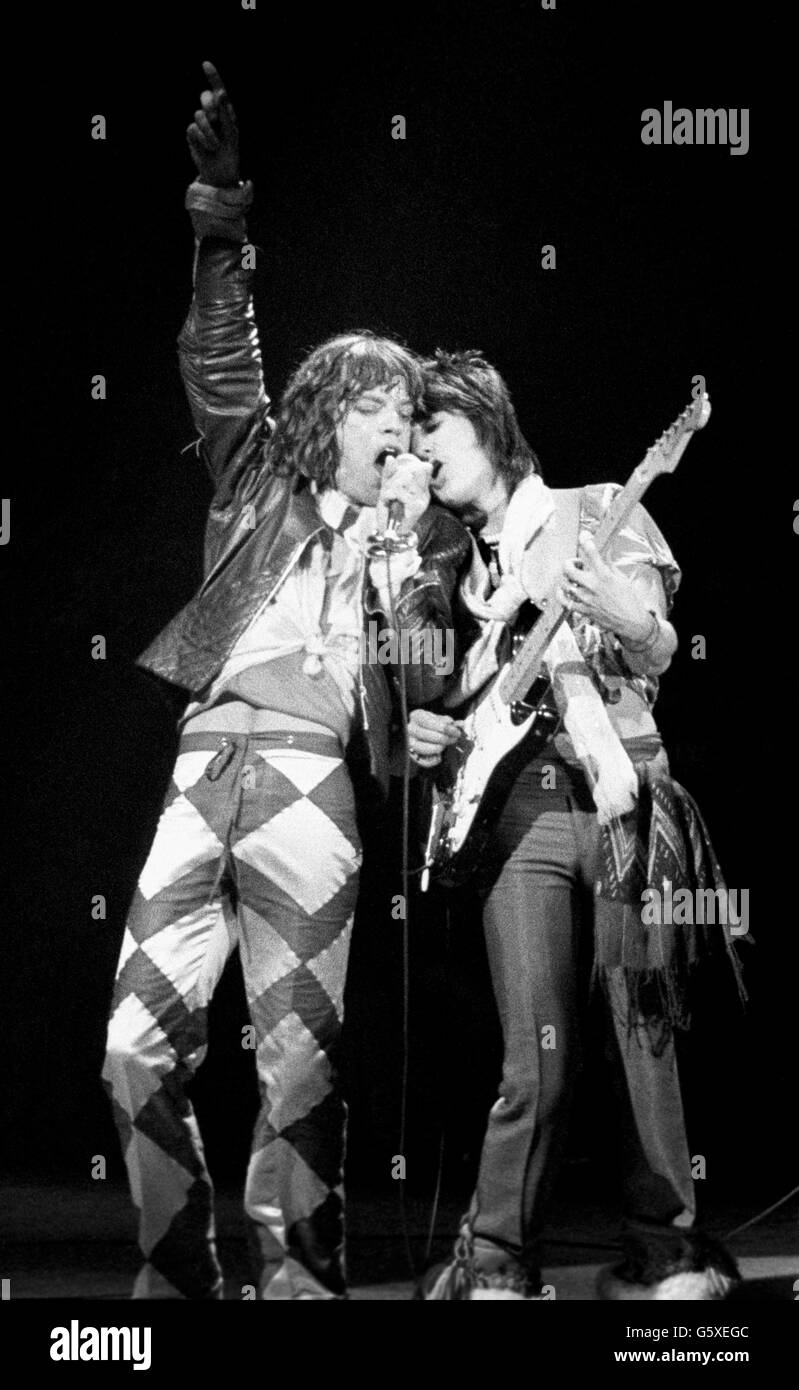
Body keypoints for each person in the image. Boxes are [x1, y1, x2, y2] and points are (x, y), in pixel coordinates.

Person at [102, 63, 467, 1302]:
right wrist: (221, 211)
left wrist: (412, 580)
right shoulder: (253, 474)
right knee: (134, 1048)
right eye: (383, 403)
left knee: (300, 1066)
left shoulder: (409, 541)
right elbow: (220, 346)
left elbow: (423, 676)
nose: (401, 426)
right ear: (329, 410)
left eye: (412, 414)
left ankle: (301, 1287)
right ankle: (179, 1278)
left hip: (312, 787)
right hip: (206, 774)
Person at [407, 350, 744, 1301]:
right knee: (533, 1057)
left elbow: (661, 646)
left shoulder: (596, 509)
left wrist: (626, 619)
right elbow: (443, 715)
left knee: (642, 1034)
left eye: (435, 430)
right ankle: (497, 1262)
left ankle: (666, 1254)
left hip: (622, 798)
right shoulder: (447, 571)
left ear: (488, 422)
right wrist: (429, 730)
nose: (419, 453)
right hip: (516, 819)